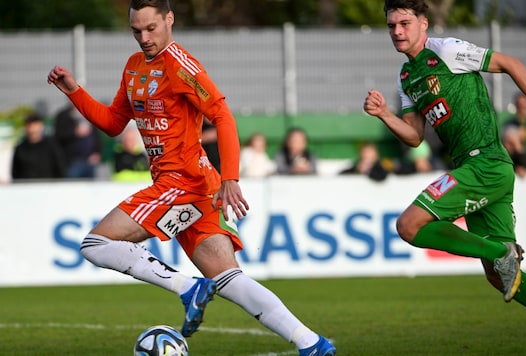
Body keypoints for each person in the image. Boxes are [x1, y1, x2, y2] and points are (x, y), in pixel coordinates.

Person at [47, 1, 335, 355]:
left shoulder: (181, 65)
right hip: (195, 190)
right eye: (137, 31)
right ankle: (312, 343)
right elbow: (112, 124)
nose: (144, 38)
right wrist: (74, 90)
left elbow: (223, 116)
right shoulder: (134, 67)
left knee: (96, 244)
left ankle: (187, 288)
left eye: (151, 28)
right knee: (229, 279)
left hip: (182, 182)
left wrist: (232, 177)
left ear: (169, 19)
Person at [362, 1, 526, 354]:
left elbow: (510, 64)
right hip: (475, 167)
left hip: (485, 163)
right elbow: (415, 136)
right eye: (391, 26)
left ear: (423, 23)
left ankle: (500, 251)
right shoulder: (406, 78)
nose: (397, 31)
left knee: (408, 225)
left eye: (404, 23)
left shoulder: (446, 50)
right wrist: (385, 114)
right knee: (499, 276)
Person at [53, 102, 103, 179]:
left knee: (90, 188)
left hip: (90, 161)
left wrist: (97, 152)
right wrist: (75, 132)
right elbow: (59, 136)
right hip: (72, 161)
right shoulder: (63, 116)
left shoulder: (89, 114)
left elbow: (96, 136)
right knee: (73, 187)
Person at [11, 113, 66, 181]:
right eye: (30, 125)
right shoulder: (20, 148)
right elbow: (15, 172)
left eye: (35, 125)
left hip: (49, 187)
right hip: (26, 188)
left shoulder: (52, 146)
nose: (33, 128)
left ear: (41, 126)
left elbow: (60, 168)